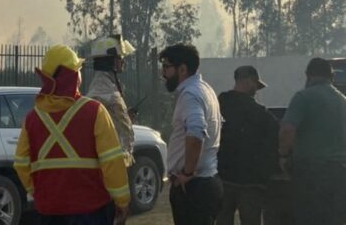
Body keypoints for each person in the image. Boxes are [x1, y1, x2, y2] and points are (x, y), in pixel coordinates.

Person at [15, 45, 131, 225]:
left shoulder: (32, 118)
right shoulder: (95, 111)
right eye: (78, 70)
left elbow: (21, 164)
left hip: (48, 212)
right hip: (91, 212)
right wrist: (122, 200)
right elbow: (112, 161)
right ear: (73, 76)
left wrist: (37, 192)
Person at [278, 57, 346, 225]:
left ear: (308, 75)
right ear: (331, 77)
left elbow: (287, 130)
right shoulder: (343, 100)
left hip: (312, 171)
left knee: (309, 217)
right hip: (341, 171)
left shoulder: (303, 97)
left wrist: (283, 155)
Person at [159, 43, 224, 225]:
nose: (163, 73)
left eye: (166, 67)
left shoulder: (190, 95)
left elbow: (196, 133)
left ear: (182, 69)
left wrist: (187, 172)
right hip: (205, 182)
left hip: (194, 187)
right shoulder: (205, 89)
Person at [217, 65, 278, 225]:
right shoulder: (261, 113)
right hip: (251, 181)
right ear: (248, 81)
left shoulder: (219, 104)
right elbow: (274, 140)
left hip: (223, 176)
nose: (256, 90)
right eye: (255, 85)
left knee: (222, 219)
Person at [87, 35, 136, 167]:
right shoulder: (111, 96)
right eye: (120, 58)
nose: (123, 61)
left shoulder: (95, 89)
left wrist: (125, 116)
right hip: (112, 165)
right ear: (112, 61)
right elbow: (125, 137)